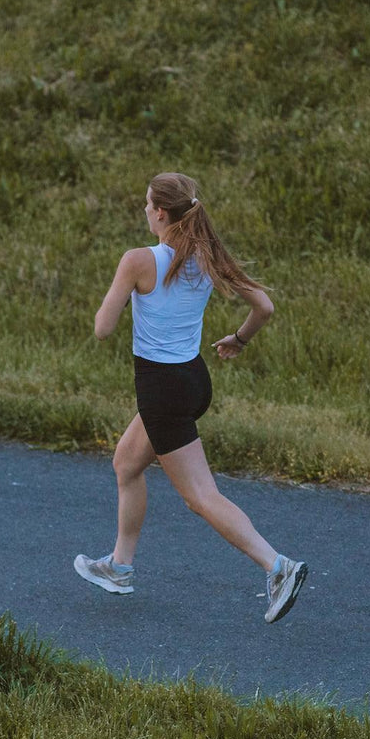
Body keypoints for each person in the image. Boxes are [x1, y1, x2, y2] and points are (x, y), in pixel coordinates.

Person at [73, 172, 307, 623]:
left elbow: (102, 329)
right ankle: (119, 567)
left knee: (200, 496)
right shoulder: (207, 254)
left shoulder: (139, 260)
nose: (144, 210)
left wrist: (120, 300)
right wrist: (240, 339)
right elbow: (265, 307)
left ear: (160, 212)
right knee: (126, 463)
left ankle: (278, 567)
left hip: (162, 392)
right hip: (193, 380)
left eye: (146, 204)